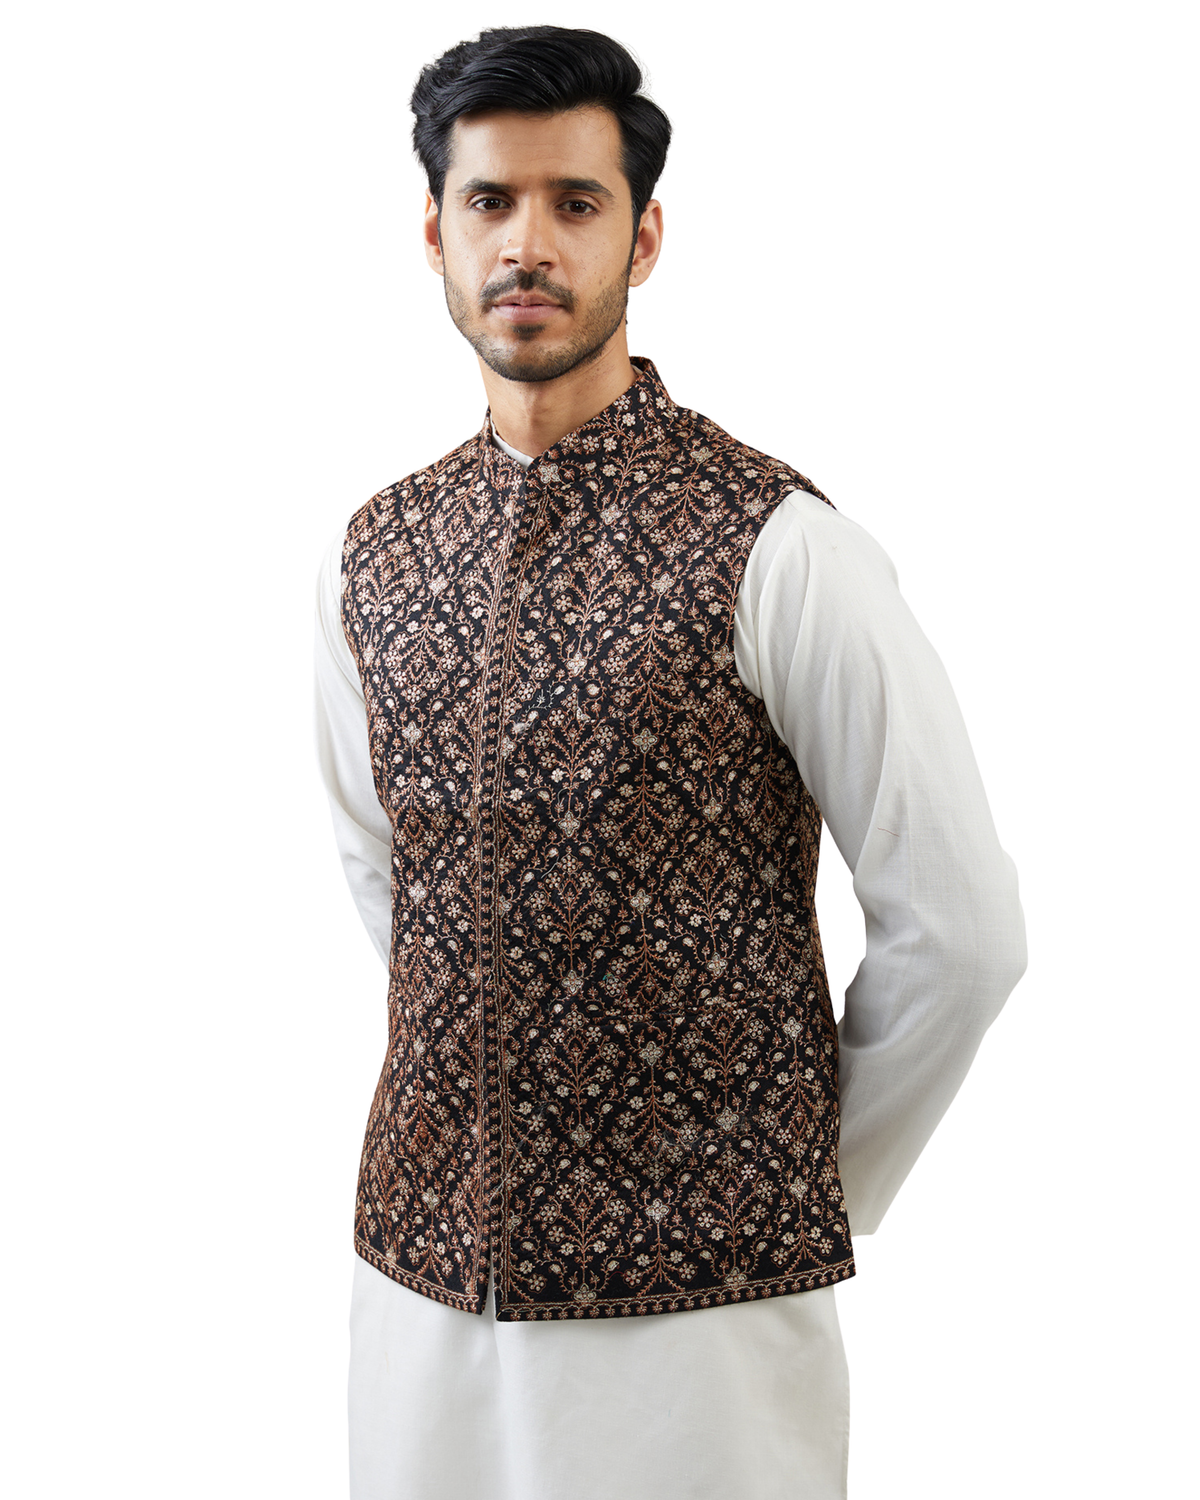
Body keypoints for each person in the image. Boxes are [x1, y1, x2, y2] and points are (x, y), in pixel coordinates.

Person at [314, 24, 1027, 1500]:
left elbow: (961, 932)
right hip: (421, 1293)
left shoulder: (779, 546)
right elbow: (390, 882)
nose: (527, 244)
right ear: (434, 235)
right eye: (489, 202)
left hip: (704, 1326)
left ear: (642, 239)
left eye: (574, 204)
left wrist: (791, 1173)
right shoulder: (375, 556)